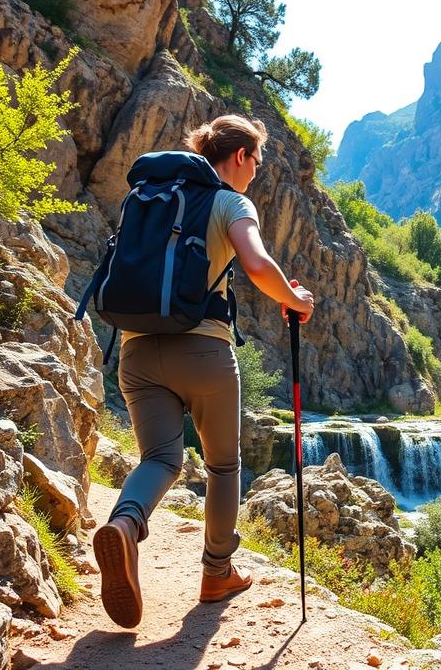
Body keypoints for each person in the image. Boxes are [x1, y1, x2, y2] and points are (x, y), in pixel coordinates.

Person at [92, 114, 315, 629]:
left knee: (161, 458)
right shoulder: (230, 202)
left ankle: (125, 526)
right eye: (256, 161)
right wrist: (296, 299)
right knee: (221, 466)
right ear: (239, 156)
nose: (256, 171)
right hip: (204, 352)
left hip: (138, 352)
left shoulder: (146, 199)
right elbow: (258, 266)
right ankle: (216, 573)